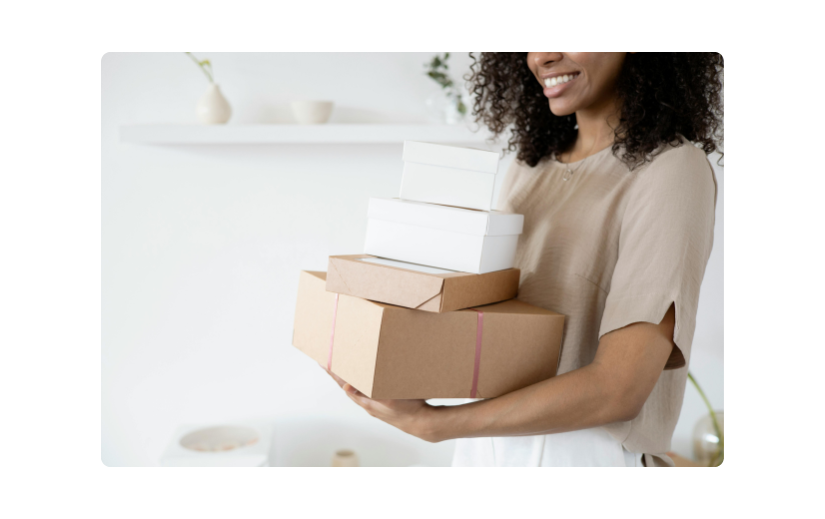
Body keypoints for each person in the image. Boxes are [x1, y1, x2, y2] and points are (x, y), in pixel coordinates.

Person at [326, 52, 724, 467]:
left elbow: (618, 389)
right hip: (485, 442)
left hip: (582, 451)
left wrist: (437, 425)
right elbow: (493, 323)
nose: (544, 57)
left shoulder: (670, 170)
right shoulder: (529, 167)